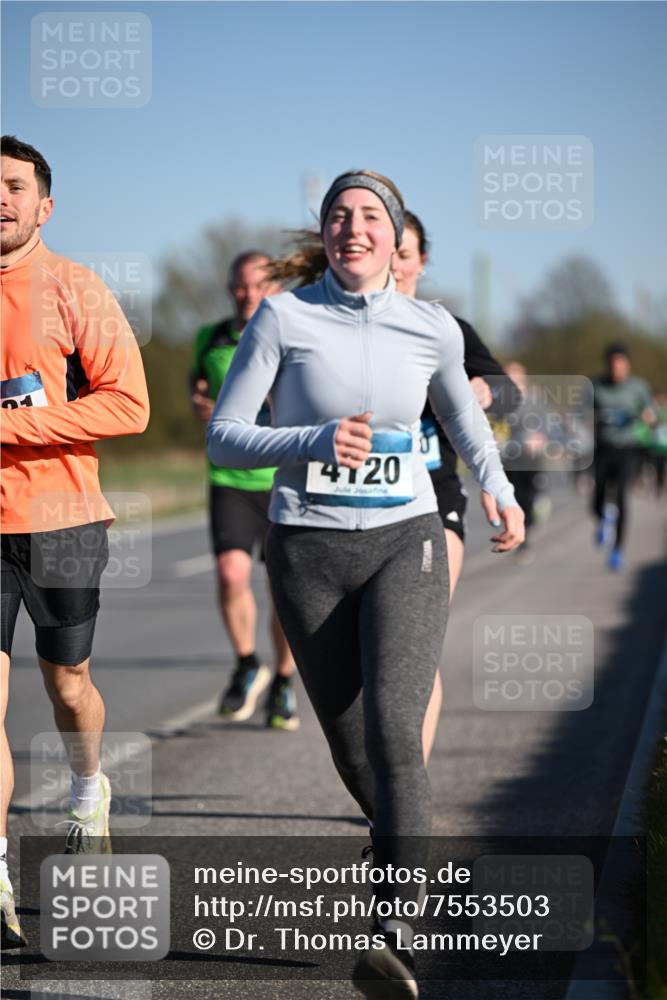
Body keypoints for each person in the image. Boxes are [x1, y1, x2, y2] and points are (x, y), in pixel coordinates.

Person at [207, 169, 524, 998]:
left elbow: (462, 422)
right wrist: (310, 440)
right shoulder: (283, 315)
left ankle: (396, 929)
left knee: (394, 721)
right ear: (326, 234)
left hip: (405, 539)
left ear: (394, 235)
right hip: (306, 551)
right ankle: (396, 846)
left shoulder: (432, 326)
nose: (355, 227)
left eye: (370, 215)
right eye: (339, 215)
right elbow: (226, 440)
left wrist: (499, 488)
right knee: (355, 753)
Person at [0, 136, 150, 947]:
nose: (0, 198)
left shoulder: (75, 287)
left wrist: (17, 427)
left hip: (61, 521)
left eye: (14, 187)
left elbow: (130, 406)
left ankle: (88, 789)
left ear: (43, 205)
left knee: (67, 687)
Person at [392, 211, 521, 760]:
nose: (395, 263)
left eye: (406, 253)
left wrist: (484, 389)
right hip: (358, 505)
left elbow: (506, 389)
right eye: (388, 250)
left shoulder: (446, 329)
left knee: (411, 645)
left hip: (434, 498)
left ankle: (405, 790)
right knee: (367, 660)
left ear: (422, 262)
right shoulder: (341, 331)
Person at [189, 252, 298, 730]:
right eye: (239, 285)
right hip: (230, 478)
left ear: (273, 288)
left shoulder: (293, 331)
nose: (248, 294)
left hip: (282, 477)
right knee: (232, 575)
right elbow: (196, 389)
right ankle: (247, 662)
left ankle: (283, 682)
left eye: (258, 285)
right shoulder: (209, 338)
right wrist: (200, 408)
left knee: (283, 590)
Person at [591, 343, 655, 571]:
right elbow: (581, 412)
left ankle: (617, 550)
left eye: (621, 364)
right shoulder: (596, 385)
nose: (617, 369)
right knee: (597, 497)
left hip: (628, 448)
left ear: (627, 365)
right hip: (602, 448)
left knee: (620, 496)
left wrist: (647, 416)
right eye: (613, 364)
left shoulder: (638, 387)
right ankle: (603, 519)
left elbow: (650, 413)